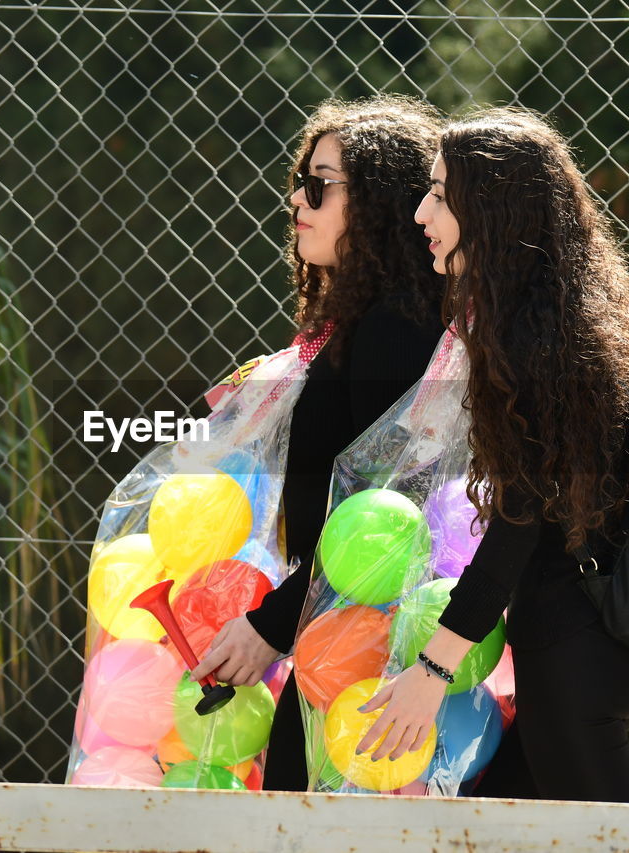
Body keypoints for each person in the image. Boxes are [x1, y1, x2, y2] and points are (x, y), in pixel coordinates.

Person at [356, 106, 629, 802]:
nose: (422, 212)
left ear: (496, 210)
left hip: (575, 651)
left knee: (610, 841)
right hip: (579, 647)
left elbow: (517, 523)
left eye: (443, 195)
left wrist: (433, 669)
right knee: (501, 817)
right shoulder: (559, 327)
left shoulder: (537, 348)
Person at [189, 95, 448, 790]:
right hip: (340, 634)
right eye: (298, 183)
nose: (298, 201)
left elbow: (387, 515)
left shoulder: (395, 329)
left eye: (320, 185)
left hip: (372, 652)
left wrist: (271, 624)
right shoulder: (358, 324)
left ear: (380, 203)